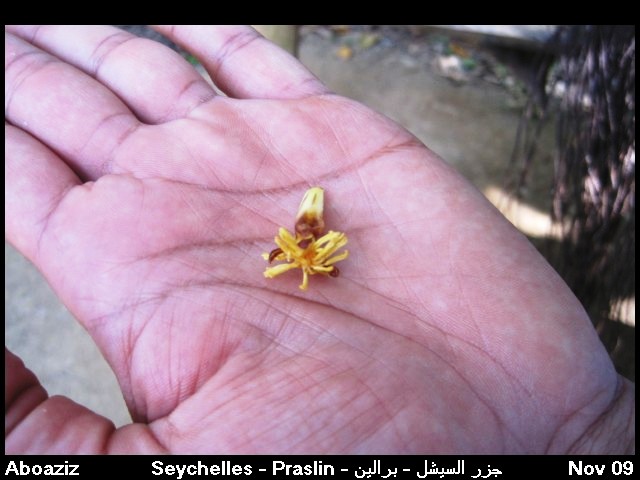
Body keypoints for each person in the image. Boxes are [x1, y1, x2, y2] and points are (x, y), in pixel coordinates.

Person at [5, 25, 634, 454]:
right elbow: (287, 252)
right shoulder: (297, 246)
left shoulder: (310, 245)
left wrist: (593, 434)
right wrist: (592, 435)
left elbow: (305, 250)